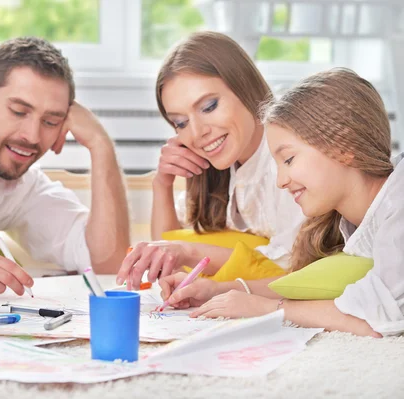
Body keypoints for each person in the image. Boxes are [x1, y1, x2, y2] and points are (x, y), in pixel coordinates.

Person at [161, 68, 403, 337]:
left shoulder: (398, 201)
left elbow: (381, 318)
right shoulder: (359, 227)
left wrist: (269, 308)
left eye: (288, 160)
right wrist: (219, 290)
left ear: (343, 145)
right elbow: (325, 287)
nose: (281, 181)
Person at [0, 37, 130, 299]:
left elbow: (107, 265)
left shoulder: (24, 189)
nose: (32, 136)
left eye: (50, 121)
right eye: (19, 112)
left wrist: (101, 146)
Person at [117, 31, 304, 288]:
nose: (196, 133)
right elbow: (169, 254)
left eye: (208, 107)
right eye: (180, 123)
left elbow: (291, 267)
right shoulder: (219, 169)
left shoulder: (289, 159)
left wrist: (190, 253)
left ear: (245, 86)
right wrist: (162, 183)